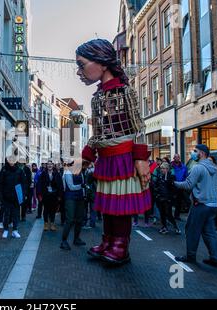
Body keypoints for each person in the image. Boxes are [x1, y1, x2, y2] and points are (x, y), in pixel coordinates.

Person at [77, 39, 151, 266]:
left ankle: (121, 245)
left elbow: (138, 126)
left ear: (102, 62)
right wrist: (87, 155)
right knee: (110, 205)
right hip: (107, 160)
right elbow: (98, 133)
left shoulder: (124, 91)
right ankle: (108, 241)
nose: (79, 72)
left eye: (81, 64)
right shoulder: (98, 97)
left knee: (120, 207)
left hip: (122, 158)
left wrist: (140, 158)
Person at [174, 144, 217, 268]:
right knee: (209, 232)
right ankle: (214, 258)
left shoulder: (198, 168)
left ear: (201, 153)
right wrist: (212, 196)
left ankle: (190, 256)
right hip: (212, 205)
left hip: (200, 205)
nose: (193, 153)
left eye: (195, 151)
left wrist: (174, 183)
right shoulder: (214, 168)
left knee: (192, 230)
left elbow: (188, 184)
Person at [0, 158, 27, 239]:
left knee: (16, 214)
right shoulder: (4, 170)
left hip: (16, 196)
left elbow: (23, 183)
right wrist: (0, 196)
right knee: (6, 214)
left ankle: (15, 230)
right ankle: (6, 230)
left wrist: (23, 195)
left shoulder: (19, 170)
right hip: (6, 196)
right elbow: (0, 183)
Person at [60, 160, 86, 250]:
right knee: (70, 219)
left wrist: (84, 194)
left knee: (79, 219)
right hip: (70, 198)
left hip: (79, 198)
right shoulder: (67, 172)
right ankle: (63, 241)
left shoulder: (80, 172)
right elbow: (71, 187)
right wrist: (81, 186)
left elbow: (82, 185)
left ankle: (76, 239)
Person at [153, 162, 181, 234]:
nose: (162, 170)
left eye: (163, 168)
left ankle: (176, 227)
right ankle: (164, 227)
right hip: (160, 198)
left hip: (168, 199)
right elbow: (156, 186)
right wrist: (156, 194)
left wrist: (171, 197)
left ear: (167, 169)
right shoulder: (159, 176)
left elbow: (174, 188)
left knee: (168, 214)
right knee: (162, 214)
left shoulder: (171, 177)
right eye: (161, 168)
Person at [39, 160, 63, 231]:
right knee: (46, 209)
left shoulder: (56, 174)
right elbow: (40, 184)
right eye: (48, 164)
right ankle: (46, 223)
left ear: (53, 165)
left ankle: (52, 223)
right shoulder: (43, 174)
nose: (49, 165)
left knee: (53, 210)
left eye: (51, 164)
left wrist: (59, 195)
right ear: (46, 166)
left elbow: (60, 185)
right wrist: (40, 194)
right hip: (46, 195)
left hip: (54, 195)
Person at [208, 155, 217, 234]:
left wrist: (215, 194)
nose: (209, 162)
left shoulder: (215, 169)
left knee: (216, 211)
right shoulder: (204, 169)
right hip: (207, 195)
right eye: (208, 160)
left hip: (214, 195)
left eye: (211, 160)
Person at [171, 154, 188, 221]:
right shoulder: (170, 166)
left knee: (179, 202)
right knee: (171, 201)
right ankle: (169, 215)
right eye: (175, 157)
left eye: (178, 157)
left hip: (181, 186)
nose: (177, 158)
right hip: (172, 186)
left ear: (179, 158)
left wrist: (184, 182)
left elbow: (186, 175)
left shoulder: (184, 166)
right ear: (173, 158)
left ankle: (176, 216)